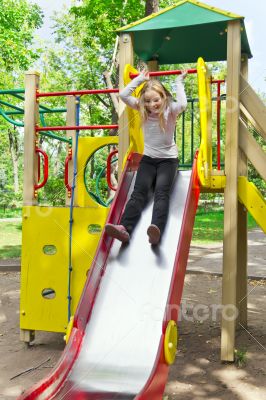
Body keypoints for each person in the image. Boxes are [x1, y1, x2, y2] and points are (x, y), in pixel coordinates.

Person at [105, 68, 187, 245]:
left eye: (156, 100)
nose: (152, 104)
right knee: (138, 193)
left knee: (161, 193)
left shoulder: (170, 110)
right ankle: (124, 228)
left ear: (163, 97)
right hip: (148, 159)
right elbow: (124, 95)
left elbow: (183, 105)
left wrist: (179, 82)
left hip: (168, 161)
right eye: (148, 101)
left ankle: (155, 229)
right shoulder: (142, 109)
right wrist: (140, 79)